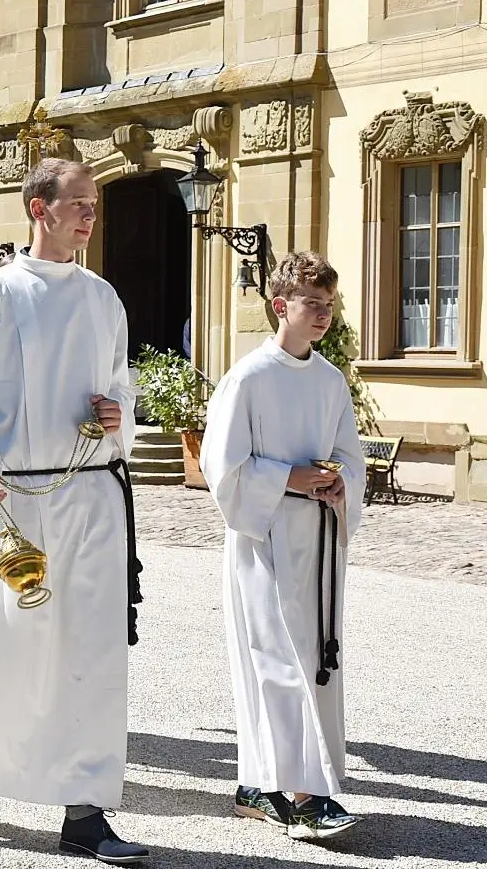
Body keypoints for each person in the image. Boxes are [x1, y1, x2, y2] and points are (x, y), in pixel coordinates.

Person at [0, 159, 148, 864]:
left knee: (90, 654)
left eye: (93, 204)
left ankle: (86, 811)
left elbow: (121, 389)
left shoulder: (103, 298)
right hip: (10, 498)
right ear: (39, 209)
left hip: (91, 496)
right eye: (79, 203)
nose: (90, 215)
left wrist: (118, 415)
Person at [202, 251, 367, 840]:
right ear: (280, 305)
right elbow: (222, 466)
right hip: (264, 536)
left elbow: (349, 454)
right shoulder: (248, 378)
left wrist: (343, 482)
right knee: (275, 662)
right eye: (311, 304)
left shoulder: (330, 380)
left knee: (318, 660)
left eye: (329, 304)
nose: (323, 314)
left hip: (318, 538)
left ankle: (269, 784)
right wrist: (289, 478)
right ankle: (301, 793)